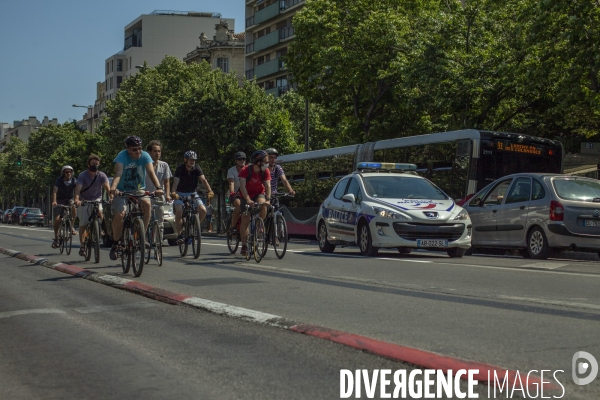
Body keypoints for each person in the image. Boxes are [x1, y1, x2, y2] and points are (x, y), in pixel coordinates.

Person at [109, 136, 164, 260]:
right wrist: (113, 188)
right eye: (134, 149)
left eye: (139, 148)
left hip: (138, 188)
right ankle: (116, 243)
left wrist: (158, 187)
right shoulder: (122, 156)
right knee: (120, 214)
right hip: (122, 190)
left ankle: (142, 236)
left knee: (147, 204)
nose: (138, 152)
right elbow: (118, 174)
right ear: (128, 149)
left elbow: (151, 172)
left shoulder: (145, 156)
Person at [171, 150, 214, 244]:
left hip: (192, 193)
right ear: (185, 160)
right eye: (190, 159)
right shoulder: (180, 168)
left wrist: (210, 191)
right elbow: (176, 182)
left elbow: (203, 180)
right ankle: (179, 234)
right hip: (180, 193)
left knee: (203, 210)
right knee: (179, 211)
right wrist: (173, 192)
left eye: (194, 160)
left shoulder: (197, 168)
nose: (192, 161)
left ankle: (194, 226)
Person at [73, 154, 111, 257]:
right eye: (93, 164)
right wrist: (77, 200)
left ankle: (101, 229)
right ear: (88, 164)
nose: (95, 166)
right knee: (83, 223)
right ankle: (82, 246)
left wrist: (111, 197)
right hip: (84, 200)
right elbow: (78, 189)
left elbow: (108, 188)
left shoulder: (102, 175)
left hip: (96, 199)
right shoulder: (82, 175)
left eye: (97, 164)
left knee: (100, 211)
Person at [236, 150, 271, 256]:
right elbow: (242, 186)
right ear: (258, 161)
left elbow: (268, 185)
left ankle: (259, 225)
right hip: (245, 195)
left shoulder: (266, 171)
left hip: (258, 194)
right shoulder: (245, 170)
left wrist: (268, 199)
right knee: (245, 218)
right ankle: (244, 245)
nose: (267, 163)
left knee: (263, 205)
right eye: (265, 161)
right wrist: (247, 199)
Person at [145, 140, 172, 235]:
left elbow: (167, 182)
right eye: (155, 151)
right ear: (149, 152)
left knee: (160, 222)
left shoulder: (164, 165)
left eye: (159, 151)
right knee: (145, 220)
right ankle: (142, 239)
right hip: (145, 196)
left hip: (158, 196)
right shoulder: (144, 165)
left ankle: (158, 243)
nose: (158, 153)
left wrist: (167, 195)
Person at [51, 165, 77, 248]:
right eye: (67, 172)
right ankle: (56, 238)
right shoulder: (59, 180)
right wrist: (54, 201)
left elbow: (77, 191)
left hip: (69, 199)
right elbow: (55, 190)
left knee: (74, 208)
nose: (68, 173)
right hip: (60, 200)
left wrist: (77, 199)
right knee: (57, 219)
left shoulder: (74, 180)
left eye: (70, 172)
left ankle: (71, 226)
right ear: (63, 173)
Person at [227, 151, 246, 232]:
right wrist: (232, 192)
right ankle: (233, 227)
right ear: (236, 160)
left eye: (244, 159)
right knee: (238, 205)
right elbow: (231, 182)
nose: (242, 160)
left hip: (246, 193)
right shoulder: (231, 170)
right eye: (239, 159)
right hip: (236, 194)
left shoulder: (248, 169)